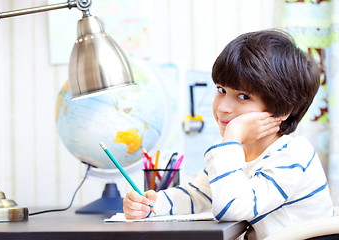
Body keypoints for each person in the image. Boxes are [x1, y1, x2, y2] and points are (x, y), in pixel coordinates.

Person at [123, 29, 334, 240]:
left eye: (243, 96)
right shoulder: (236, 151)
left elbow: (232, 208)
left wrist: (232, 137)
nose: (223, 107)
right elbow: (199, 193)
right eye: (221, 90)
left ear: (282, 110)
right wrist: (152, 204)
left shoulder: (293, 154)